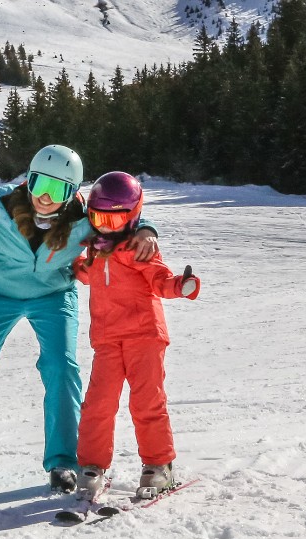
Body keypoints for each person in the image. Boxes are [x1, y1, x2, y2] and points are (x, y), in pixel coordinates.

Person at [0, 146, 160, 492]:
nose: (44, 197)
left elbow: (122, 218)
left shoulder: (84, 220)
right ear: (27, 180)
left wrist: (146, 229)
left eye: (57, 189)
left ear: (72, 191)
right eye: (38, 183)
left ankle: (64, 461)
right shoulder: (2, 204)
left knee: (61, 368)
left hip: (54, 296)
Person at [71, 171, 200, 501]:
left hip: (144, 335)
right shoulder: (95, 250)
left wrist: (180, 286)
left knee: (146, 402)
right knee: (98, 405)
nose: (106, 227)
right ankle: (91, 467)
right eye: (99, 219)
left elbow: (160, 280)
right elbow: (86, 275)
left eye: (116, 221)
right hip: (107, 339)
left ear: (132, 217)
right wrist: (69, 265)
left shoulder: (139, 248)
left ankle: (160, 465)